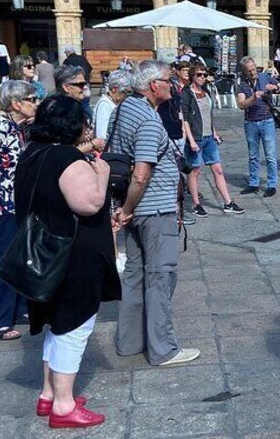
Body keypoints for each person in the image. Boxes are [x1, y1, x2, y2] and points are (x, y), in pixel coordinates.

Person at [16, 94, 120, 428]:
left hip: (45, 253)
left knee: (56, 324)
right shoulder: (66, 158)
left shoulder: (34, 152)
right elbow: (89, 203)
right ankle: (63, 405)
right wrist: (101, 173)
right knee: (73, 327)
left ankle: (49, 394)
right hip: (72, 256)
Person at [110, 60, 200, 367]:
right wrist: (128, 209)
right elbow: (141, 172)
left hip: (133, 210)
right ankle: (163, 349)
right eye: (167, 81)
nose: (172, 86)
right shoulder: (148, 120)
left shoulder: (124, 109)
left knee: (134, 276)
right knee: (161, 277)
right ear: (153, 86)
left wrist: (123, 209)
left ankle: (130, 342)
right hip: (152, 208)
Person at [0, 80, 38, 341]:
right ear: (16, 103)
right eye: (32, 99)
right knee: (2, 260)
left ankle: (17, 309)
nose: (36, 104)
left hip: (11, 202)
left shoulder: (14, 125)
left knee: (16, 256)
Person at [181, 64, 244, 216]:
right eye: (199, 75)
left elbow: (208, 115)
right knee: (195, 171)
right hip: (195, 138)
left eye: (204, 74)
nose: (202, 77)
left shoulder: (206, 91)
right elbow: (185, 119)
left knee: (218, 169)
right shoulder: (187, 93)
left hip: (209, 137)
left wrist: (214, 132)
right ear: (192, 76)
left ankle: (228, 202)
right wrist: (191, 141)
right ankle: (196, 204)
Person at [236, 56, 280, 197]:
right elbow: (241, 104)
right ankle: (254, 183)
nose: (253, 72)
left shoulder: (266, 77)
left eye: (254, 69)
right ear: (244, 71)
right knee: (253, 155)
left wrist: (276, 87)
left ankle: (272, 184)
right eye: (249, 71)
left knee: (270, 155)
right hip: (251, 122)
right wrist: (253, 97)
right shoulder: (242, 84)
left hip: (267, 121)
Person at [92, 70, 132, 139]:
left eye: (129, 93)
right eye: (125, 92)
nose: (126, 96)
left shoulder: (114, 103)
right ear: (114, 89)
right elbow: (101, 136)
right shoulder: (105, 105)